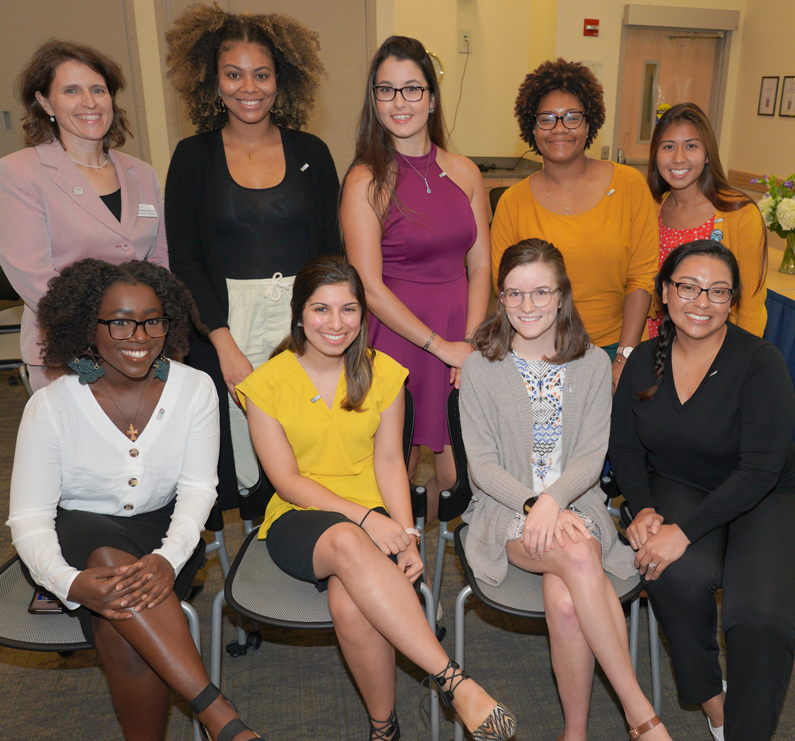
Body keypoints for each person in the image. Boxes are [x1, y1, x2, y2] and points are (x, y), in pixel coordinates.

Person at [238, 255, 516, 741]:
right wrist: (369, 520)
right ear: (299, 313)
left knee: (351, 608)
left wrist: (407, 535)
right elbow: (286, 482)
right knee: (347, 539)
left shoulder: (382, 372)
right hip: (301, 518)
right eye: (321, 309)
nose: (335, 323)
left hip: (379, 514)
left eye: (349, 309)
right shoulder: (264, 385)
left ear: (363, 315)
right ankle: (453, 680)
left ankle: (383, 729)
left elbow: (390, 463)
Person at [7, 259, 260, 741]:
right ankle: (222, 719)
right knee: (104, 556)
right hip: (77, 539)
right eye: (120, 321)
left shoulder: (194, 389)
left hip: (167, 537)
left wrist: (168, 558)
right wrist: (70, 583)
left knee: (120, 631)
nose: (139, 335)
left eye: (153, 320)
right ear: (89, 325)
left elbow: (197, 492)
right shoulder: (52, 405)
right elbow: (31, 519)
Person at [460, 239, 671, 741]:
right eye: (514, 294)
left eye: (540, 293)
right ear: (501, 298)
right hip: (506, 509)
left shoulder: (593, 364)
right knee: (579, 560)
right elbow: (483, 468)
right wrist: (535, 504)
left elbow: (591, 455)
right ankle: (641, 715)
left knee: (565, 600)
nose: (527, 307)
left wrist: (554, 501)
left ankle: (573, 734)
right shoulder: (479, 368)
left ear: (561, 297)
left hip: (578, 504)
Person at [610, 240, 795, 741]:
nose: (701, 301)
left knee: (759, 615)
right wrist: (643, 507)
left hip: (766, 493)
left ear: (732, 300)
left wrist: (684, 531)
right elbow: (624, 448)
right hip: (681, 484)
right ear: (665, 293)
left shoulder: (760, 362)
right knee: (669, 571)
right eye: (688, 287)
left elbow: (759, 471)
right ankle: (716, 707)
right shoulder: (645, 360)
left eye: (717, 291)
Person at [164, 5, 340, 508]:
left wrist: (322, 327)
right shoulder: (192, 158)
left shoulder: (313, 152)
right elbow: (188, 261)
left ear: (281, 80)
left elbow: (331, 252)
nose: (249, 87)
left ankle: (307, 546)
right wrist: (223, 346)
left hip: (304, 317)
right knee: (239, 457)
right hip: (224, 321)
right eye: (233, 74)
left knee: (308, 444)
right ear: (212, 81)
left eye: (262, 74)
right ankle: (252, 565)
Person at [341, 35, 491, 523]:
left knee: (455, 478)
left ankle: (428, 561)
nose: (399, 102)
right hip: (397, 338)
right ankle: (401, 575)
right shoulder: (366, 179)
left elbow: (481, 266)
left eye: (411, 89)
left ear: (431, 97)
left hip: (458, 334)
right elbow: (366, 283)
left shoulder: (466, 172)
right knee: (395, 468)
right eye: (386, 90)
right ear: (374, 99)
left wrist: (466, 345)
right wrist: (438, 345)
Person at [0, 40, 168, 392]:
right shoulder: (18, 173)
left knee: (147, 445)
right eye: (71, 90)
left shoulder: (141, 172)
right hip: (70, 355)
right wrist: (108, 337)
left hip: (144, 348)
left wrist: (149, 332)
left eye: (98, 90)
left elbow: (160, 262)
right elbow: (34, 278)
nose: (89, 102)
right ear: (45, 102)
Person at [491, 59, 658, 391]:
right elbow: (503, 291)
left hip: (613, 351)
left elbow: (642, 277)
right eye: (547, 118)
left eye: (572, 117)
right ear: (532, 127)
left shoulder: (629, 185)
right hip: (536, 354)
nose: (559, 128)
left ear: (589, 122)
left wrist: (624, 357)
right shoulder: (513, 202)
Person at [647, 102, 767, 337]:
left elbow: (751, 306)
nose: (678, 158)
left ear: (707, 155)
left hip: (716, 352)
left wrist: (738, 365)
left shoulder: (740, 213)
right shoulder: (649, 210)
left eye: (691, 146)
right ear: (655, 155)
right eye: (668, 146)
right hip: (654, 348)